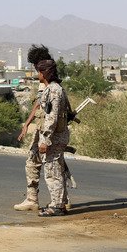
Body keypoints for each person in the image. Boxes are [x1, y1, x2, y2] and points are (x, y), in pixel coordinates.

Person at [13, 45, 53, 211]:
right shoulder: (50, 74)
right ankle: (60, 199)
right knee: (52, 164)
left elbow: (40, 103)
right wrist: (27, 124)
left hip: (46, 128)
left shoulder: (47, 77)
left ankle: (33, 199)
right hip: (44, 126)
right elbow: (39, 102)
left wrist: (28, 124)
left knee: (39, 163)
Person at [36, 59, 70, 217]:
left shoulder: (54, 90)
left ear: (44, 73)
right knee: (57, 170)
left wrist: (45, 140)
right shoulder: (54, 88)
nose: (38, 75)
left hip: (54, 138)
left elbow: (51, 117)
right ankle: (59, 203)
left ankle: (56, 206)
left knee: (52, 171)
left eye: (39, 72)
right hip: (58, 136)